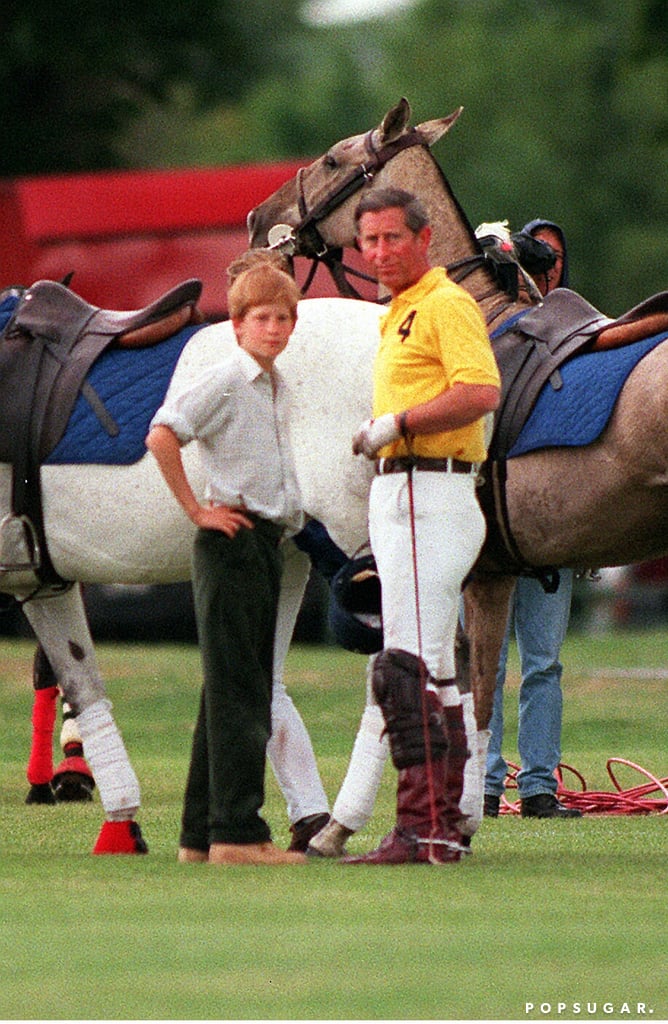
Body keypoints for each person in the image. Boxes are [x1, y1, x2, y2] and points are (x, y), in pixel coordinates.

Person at [344, 187, 501, 865]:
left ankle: (420, 824)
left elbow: (480, 391)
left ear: (424, 237)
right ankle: (450, 821)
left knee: (403, 666)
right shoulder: (398, 310)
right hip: (405, 490)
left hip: (427, 488)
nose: (378, 252)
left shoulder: (445, 303)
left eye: (390, 238)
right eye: (368, 241)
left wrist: (397, 424)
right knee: (431, 666)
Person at [145, 260, 309, 865]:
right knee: (243, 694)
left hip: (266, 544)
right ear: (237, 326)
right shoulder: (224, 381)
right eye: (261, 318)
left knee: (228, 689)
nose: (273, 328)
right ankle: (239, 836)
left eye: (283, 317)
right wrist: (197, 511)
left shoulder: (276, 387)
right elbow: (163, 433)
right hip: (232, 542)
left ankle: (199, 837)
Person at [483, 218, 581, 819]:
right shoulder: (492, 334)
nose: (548, 266)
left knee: (543, 662)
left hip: (551, 526)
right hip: (498, 520)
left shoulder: (578, 335)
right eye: (536, 257)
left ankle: (538, 785)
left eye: (554, 257)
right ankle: (487, 785)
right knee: (488, 664)